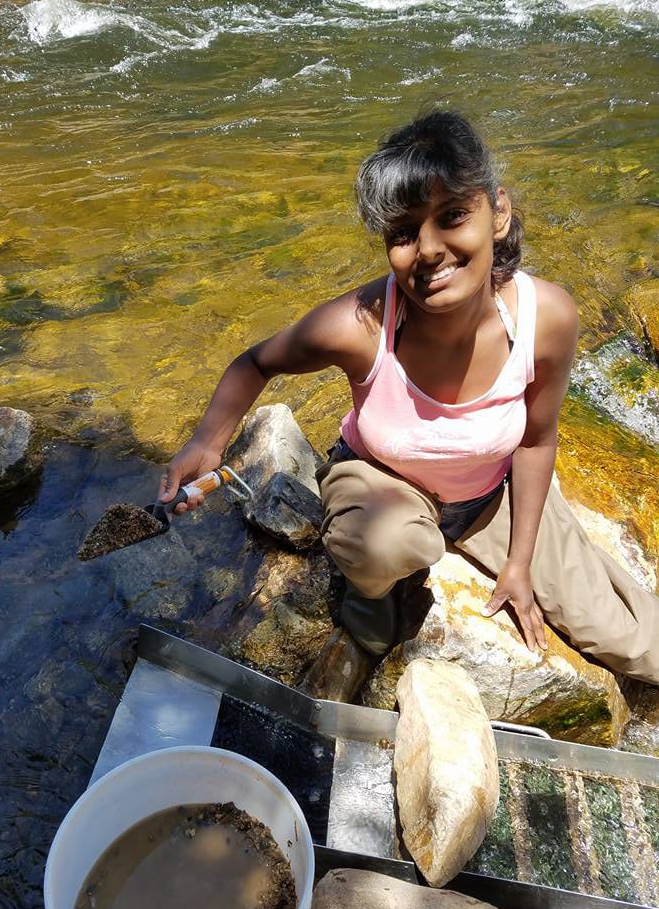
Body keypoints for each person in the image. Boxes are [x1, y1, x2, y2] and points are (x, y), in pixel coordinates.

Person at [158, 109, 659, 685]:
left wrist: (519, 563)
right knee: (386, 547)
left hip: (489, 495)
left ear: (497, 213)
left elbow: (536, 438)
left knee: (636, 648)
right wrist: (207, 441)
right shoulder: (360, 324)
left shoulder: (546, 317)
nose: (427, 249)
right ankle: (371, 596)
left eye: (452, 217)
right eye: (403, 233)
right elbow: (256, 363)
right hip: (380, 481)